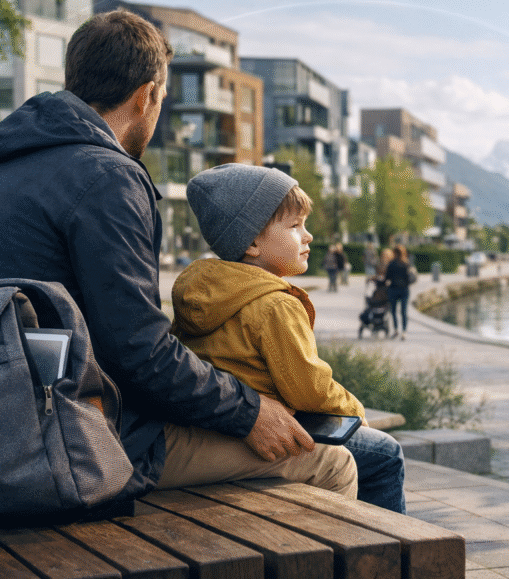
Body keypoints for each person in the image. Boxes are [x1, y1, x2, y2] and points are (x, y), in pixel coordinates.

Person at [0, 10, 356, 499]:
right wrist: (249, 412)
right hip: (60, 446)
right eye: (162, 99)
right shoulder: (108, 176)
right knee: (337, 460)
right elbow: (140, 355)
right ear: (146, 96)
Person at [171, 164, 406, 513]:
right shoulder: (275, 305)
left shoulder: (204, 292)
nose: (308, 236)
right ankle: (388, 552)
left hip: (213, 430)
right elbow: (308, 388)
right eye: (295, 226)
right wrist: (355, 411)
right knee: (386, 454)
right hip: (259, 434)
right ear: (251, 243)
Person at [384, 245, 412, 340]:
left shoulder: (391, 264)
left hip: (393, 289)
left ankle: (396, 330)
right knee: (404, 312)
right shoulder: (406, 263)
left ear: (394, 253)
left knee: (393, 311)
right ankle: (404, 331)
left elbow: (387, 277)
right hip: (404, 289)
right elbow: (409, 278)